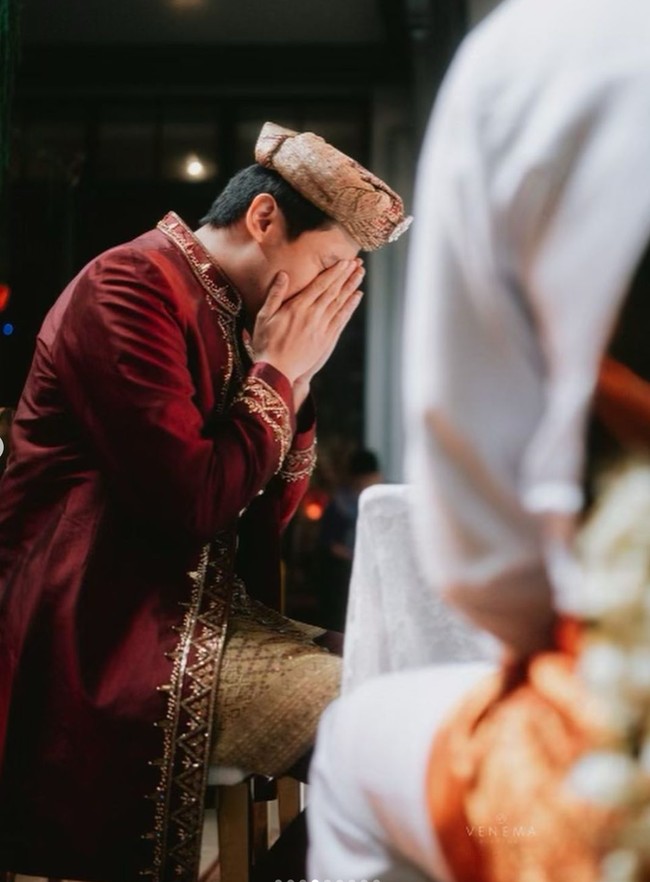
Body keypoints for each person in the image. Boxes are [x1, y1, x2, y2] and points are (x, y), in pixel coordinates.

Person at [0, 120, 410, 882]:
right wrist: (282, 370)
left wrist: (298, 374)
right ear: (263, 219)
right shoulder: (126, 288)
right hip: (101, 626)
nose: (328, 294)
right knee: (380, 729)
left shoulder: (242, 320)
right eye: (326, 264)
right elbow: (193, 504)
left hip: (204, 618)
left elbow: (265, 522)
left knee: (405, 681)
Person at [307, 1, 650, 880]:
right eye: (325, 266)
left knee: (352, 742)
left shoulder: (544, 54)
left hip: (621, 711)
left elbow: (486, 559)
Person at [316, 447, 382, 630]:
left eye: (372, 479)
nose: (367, 484)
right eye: (363, 480)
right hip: (349, 569)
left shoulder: (385, 499)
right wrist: (357, 557)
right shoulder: (339, 504)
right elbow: (330, 544)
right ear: (354, 479)